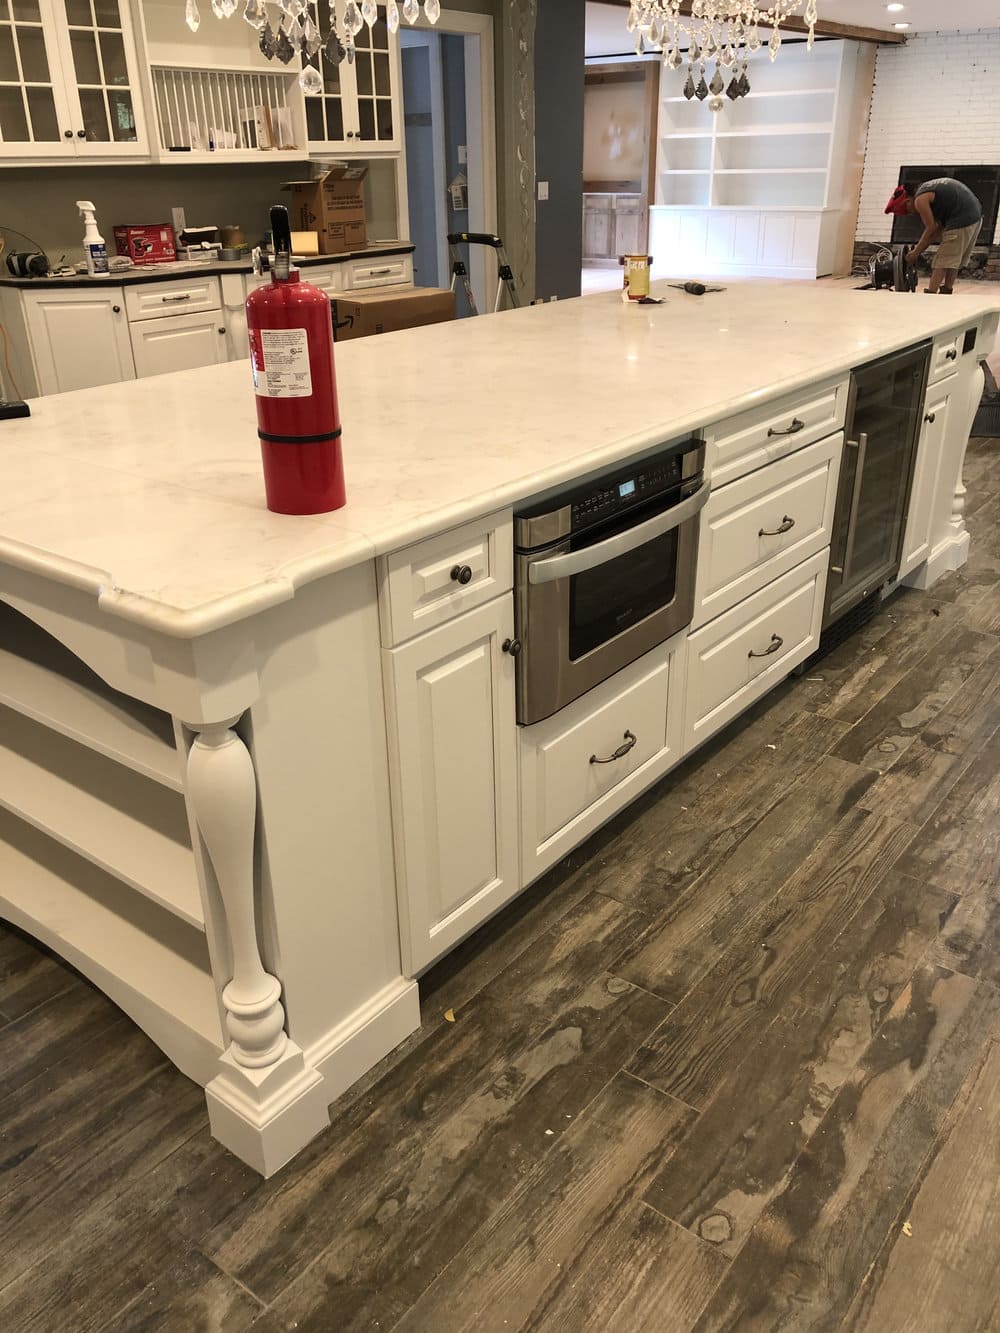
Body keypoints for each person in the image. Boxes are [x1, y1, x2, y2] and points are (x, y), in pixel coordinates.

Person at [885, 179, 983, 293]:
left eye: (908, 211)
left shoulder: (919, 200)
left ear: (907, 201)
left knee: (942, 260)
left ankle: (931, 293)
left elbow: (931, 228)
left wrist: (915, 252)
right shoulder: (928, 189)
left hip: (962, 218)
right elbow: (936, 230)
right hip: (975, 217)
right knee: (952, 260)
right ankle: (947, 290)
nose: (912, 213)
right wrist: (918, 251)